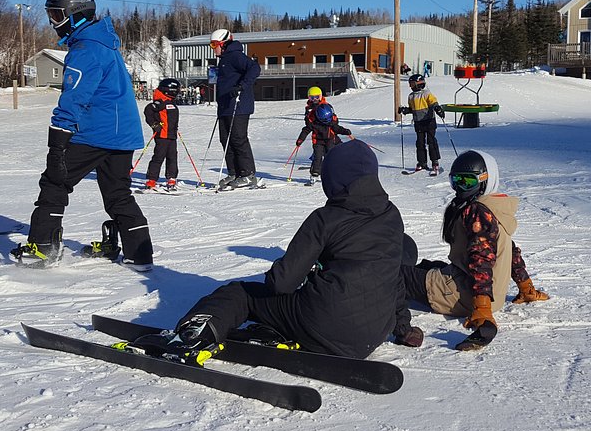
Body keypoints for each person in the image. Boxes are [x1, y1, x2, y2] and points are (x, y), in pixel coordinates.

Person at [160, 140, 413, 359]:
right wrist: (403, 327)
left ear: (334, 179)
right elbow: (394, 276)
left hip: (325, 324)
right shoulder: (391, 215)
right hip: (373, 333)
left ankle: (195, 333)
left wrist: (287, 274)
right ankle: (276, 329)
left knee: (240, 293)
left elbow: (281, 284)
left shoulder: (326, 218)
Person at [12, 0, 154, 270]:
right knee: (118, 194)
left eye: (56, 15)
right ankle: (140, 254)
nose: (53, 22)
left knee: (55, 182)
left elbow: (75, 95)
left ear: (74, 15)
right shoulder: (104, 44)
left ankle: (42, 248)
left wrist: (59, 136)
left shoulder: (85, 49)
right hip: (121, 135)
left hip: (94, 133)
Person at [399, 149, 549, 351]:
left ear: (485, 181)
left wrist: (482, 310)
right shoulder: (495, 207)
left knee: (393, 274)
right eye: (456, 181)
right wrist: (526, 287)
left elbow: (482, 260)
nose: (460, 187)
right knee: (426, 266)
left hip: (466, 297)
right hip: (484, 293)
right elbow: (511, 252)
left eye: (468, 181)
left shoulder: (478, 211)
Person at [211, 28, 262, 190]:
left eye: (215, 45)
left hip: (239, 105)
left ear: (223, 44)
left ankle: (247, 174)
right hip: (225, 106)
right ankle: (234, 173)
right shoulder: (224, 59)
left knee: (238, 139)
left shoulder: (235, 56)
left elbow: (254, 68)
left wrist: (242, 86)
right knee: (225, 140)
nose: (213, 48)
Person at [398, 73, 445, 175]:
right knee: (420, 143)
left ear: (419, 83)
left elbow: (433, 102)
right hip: (418, 122)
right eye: (410, 84)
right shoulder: (411, 96)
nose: (411, 86)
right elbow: (412, 109)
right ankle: (422, 162)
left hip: (429, 121)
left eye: (412, 84)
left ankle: (435, 162)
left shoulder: (426, 93)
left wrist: (437, 108)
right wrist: (405, 110)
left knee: (431, 141)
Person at [296, 103, 353, 186]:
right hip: (318, 142)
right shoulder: (313, 122)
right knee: (317, 157)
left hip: (330, 140)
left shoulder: (332, 121)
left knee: (330, 157)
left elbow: (337, 128)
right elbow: (306, 130)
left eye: (328, 119)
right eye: (324, 120)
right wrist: (300, 140)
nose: (327, 122)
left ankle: (331, 174)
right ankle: (314, 174)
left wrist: (345, 131)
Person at [143, 78, 181, 192]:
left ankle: (172, 178)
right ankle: (151, 180)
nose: (177, 93)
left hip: (171, 135)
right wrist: (155, 125)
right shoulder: (160, 102)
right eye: (176, 90)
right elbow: (148, 111)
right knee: (158, 157)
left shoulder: (170, 101)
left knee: (172, 157)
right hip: (162, 136)